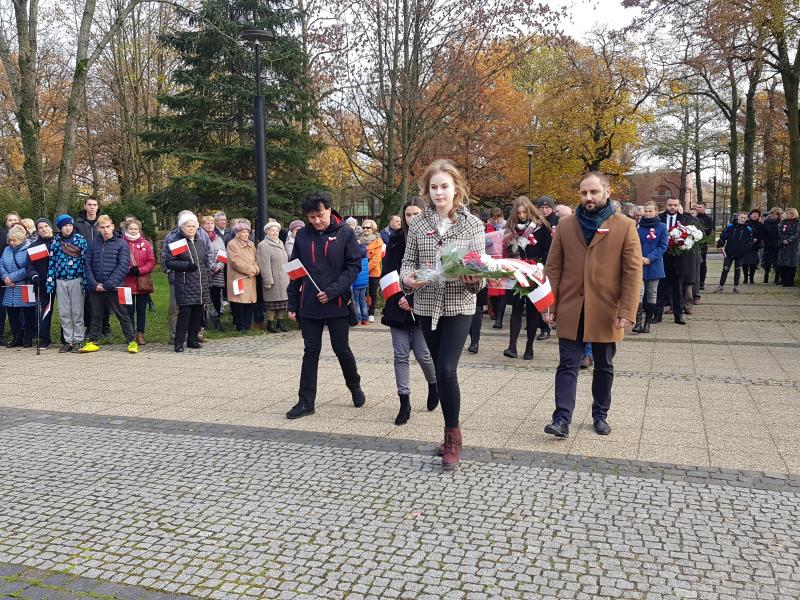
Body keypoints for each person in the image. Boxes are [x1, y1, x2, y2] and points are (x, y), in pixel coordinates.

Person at [543, 171, 642, 438]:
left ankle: (600, 415)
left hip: (607, 309)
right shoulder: (566, 225)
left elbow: (633, 272)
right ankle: (561, 419)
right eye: (584, 192)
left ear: (607, 192)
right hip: (571, 308)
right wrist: (548, 306)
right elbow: (553, 268)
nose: (588, 197)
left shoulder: (625, 226)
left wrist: (627, 310)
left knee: (604, 365)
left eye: (594, 192)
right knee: (567, 364)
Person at [400, 159, 485, 470]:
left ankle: (453, 438)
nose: (439, 192)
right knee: (439, 369)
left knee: (447, 369)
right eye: (434, 187)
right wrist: (407, 279)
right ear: (427, 190)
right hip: (426, 304)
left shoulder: (472, 224)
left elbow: (479, 268)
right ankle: (447, 432)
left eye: (444, 187)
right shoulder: (418, 224)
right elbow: (407, 263)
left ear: (455, 188)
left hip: (459, 303)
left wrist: (473, 278)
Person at [286, 190, 365, 419]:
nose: (317, 221)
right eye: (312, 217)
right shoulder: (302, 236)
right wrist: (292, 303)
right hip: (309, 304)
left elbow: (353, 267)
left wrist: (332, 291)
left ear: (329, 210)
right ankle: (305, 402)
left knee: (341, 349)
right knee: (310, 351)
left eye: (320, 215)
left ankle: (354, 385)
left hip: (337, 302)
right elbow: (295, 271)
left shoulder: (345, 233)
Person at [382, 197, 438, 424]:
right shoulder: (395, 240)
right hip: (397, 304)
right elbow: (388, 272)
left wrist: (413, 298)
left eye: (416, 214)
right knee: (400, 354)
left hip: (422, 302)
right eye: (408, 215)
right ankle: (404, 402)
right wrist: (400, 297)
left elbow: (433, 271)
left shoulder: (432, 238)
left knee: (423, 353)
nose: (412, 218)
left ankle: (433, 384)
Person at [78, 215, 138, 353]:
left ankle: (131, 341)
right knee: (96, 315)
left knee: (122, 314)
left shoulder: (122, 243)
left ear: (113, 227)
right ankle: (93, 341)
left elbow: (123, 266)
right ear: (98, 229)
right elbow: (87, 264)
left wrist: (108, 284)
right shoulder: (93, 244)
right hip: (96, 288)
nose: (105, 230)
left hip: (115, 287)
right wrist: (94, 284)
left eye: (107, 227)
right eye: (102, 227)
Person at [502, 196, 552, 360]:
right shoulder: (510, 228)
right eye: (519, 213)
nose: (522, 215)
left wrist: (539, 267)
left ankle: (529, 348)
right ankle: (512, 346)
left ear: (530, 211)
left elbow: (548, 249)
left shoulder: (541, 226)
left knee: (532, 311)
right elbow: (505, 250)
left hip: (534, 273)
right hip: (516, 273)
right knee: (516, 309)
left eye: (524, 212)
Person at [162, 210, 215, 343]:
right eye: (188, 226)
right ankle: (178, 341)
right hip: (184, 281)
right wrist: (186, 266)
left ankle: (192, 340)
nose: (191, 229)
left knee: (197, 312)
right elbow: (170, 262)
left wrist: (208, 278)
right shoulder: (178, 242)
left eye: (193, 226)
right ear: (182, 227)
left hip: (200, 282)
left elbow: (206, 262)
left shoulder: (200, 242)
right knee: (184, 313)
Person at [47, 215, 88, 352]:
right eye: (65, 226)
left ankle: (79, 340)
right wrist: (50, 282)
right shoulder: (55, 242)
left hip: (77, 279)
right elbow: (52, 263)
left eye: (70, 225)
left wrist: (85, 281)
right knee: (64, 312)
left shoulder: (80, 240)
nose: (68, 228)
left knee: (77, 311)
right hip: (60, 280)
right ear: (60, 227)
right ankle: (69, 340)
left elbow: (85, 261)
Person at [633, 202, 668, 334]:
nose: (647, 214)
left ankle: (648, 323)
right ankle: (638, 323)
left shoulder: (662, 227)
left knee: (652, 293)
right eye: (646, 211)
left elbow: (663, 246)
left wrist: (650, 258)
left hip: (654, 264)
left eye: (650, 211)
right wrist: (639, 257)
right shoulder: (638, 226)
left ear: (656, 211)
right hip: (639, 263)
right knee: (639, 294)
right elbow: (633, 243)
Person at [657, 197, 693, 325]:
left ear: (679, 206)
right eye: (670, 205)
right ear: (666, 205)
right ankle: (657, 315)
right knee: (661, 288)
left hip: (679, 258)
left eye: (675, 205)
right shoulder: (659, 218)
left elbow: (691, 237)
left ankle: (678, 316)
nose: (672, 207)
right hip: (662, 258)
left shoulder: (686, 219)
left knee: (678, 289)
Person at [0, 225, 37, 347]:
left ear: (22, 239)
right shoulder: (7, 249)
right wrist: (5, 278)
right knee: (12, 313)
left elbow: (29, 267)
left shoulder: (30, 248)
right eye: (10, 240)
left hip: (25, 286)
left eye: (14, 240)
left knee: (28, 313)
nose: (11, 242)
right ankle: (17, 337)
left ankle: (28, 338)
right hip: (10, 287)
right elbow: (1, 265)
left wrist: (12, 278)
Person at [122, 218, 155, 345]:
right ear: (126, 229)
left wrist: (140, 270)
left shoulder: (146, 244)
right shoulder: (121, 243)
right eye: (131, 229)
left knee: (141, 310)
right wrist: (128, 269)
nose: (133, 231)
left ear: (139, 229)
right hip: (125, 282)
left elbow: (151, 261)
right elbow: (117, 260)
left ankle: (140, 333)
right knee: (127, 310)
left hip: (142, 282)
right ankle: (130, 334)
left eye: (136, 229)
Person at [226, 219, 259, 333]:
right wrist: (250, 269)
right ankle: (240, 326)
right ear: (237, 233)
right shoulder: (232, 244)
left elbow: (256, 259)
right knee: (238, 302)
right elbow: (235, 261)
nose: (246, 234)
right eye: (243, 232)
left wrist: (255, 269)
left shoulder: (251, 244)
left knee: (249, 302)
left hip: (251, 277)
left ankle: (247, 326)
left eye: (247, 232)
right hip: (238, 278)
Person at [26, 218, 54, 348]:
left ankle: (66, 339)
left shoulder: (59, 242)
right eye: (40, 228)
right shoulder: (34, 246)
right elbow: (29, 265)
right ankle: (45, 338)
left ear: (51, 227)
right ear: (37, 231)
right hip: (43, 283)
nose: (44, 229)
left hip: (61, 281)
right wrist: (34, 275)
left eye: (46, 226)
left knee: (65, 311)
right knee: (46, 311)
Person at [257, 221, 290, 332]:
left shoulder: (281, 243)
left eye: (277, 231)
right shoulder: (263, 245)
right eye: (272, 230)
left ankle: (280, 322)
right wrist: (268, 280)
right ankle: (270, 324)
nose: (275, 232)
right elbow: (264, 264)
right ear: (267, 232)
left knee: (282, 303)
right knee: (272, 303)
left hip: (284, 279)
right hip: (273, 279)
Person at [713, 212, 754, 294]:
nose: (742, 219)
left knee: (737, 270)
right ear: (738, 218)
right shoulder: (730, 226)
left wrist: (746, 248)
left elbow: (750, 240)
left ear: (746, 219)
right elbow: (723, 236)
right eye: (741, 217)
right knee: (725, 269)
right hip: (729, 252)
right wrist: (720, 243)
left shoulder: (748, 228)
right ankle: (721, 286)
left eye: (744, 218)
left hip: (740, 253)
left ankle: (736, 287)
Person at [201, 215, 226, 329]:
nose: (210, 225)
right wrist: (212, 267)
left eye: (211, 223)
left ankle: (217, 319)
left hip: (218, 274)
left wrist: (219, 266)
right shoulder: (200, 237)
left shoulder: (219, 238)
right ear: (203, 225)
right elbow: (202, 256)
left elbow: (223, 254)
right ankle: (205, 320)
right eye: (207, 223)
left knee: (217, 297)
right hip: (205, 273)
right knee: (205, 297)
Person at [361, 219, 384, 322]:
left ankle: (371, 313)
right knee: (362, 293)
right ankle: (363, 312)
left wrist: (365, 269)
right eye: (364, 227)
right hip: (361, 272)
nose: (365, 229)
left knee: (372, 293)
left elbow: (376, 259)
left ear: (373, 229)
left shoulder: (378, 241)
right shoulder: (359, 240)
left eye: (368, 227)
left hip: (373, 272)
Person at [740, 208, 765, 285]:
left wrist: (757, 239)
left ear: (759, 216)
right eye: (753, 214)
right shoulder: (745, 223)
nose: (755, 215)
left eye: (757, 214)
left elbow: (762, 234)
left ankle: (751, 278)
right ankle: (745, 278)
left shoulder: (760, 225)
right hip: (745, 245)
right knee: (744, 262)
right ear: (750, 215)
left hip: (754, 246)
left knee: (753, 263)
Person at [693, 202, 714, 290]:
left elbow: (708, 231)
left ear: (704, 208)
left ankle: (702, 281)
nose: (698, 208)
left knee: (702, 263)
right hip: (692, 244)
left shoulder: (708, 219)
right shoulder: (693, 217)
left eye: (700, 207)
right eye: (697, 207)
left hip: (702, 244)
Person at [351, 229, 370, 325]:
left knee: (356, 300)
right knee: (363, 300)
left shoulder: (353, 254)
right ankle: (365, 319)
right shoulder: (365, 253)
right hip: (364, 282)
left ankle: (358, 319)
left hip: (356, 281)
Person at [777, 208, 799, 287]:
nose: (786, 215)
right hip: (783, 245)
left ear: (792, 214)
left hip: (793, 246)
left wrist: (789, 240)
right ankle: (784, 281)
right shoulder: (783, 222)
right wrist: (784, 240)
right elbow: (780, 232)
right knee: (781, 264)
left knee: (791, 264)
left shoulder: (797, 223)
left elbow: (797, 233)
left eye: (787, 213)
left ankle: (790, 282)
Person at [762, 207, 783, 284]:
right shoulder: (766, 222)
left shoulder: (780, 223)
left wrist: (778, 243)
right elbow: (763, 233)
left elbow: (781, 234)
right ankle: (766, 275)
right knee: (767, 262)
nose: (774, 214)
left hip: (777, 245)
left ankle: (776, 277)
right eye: (772, 213)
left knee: (776, 262)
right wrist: (766, 242)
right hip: (768, 244)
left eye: (777, 213)